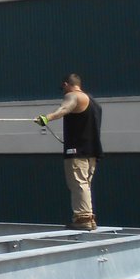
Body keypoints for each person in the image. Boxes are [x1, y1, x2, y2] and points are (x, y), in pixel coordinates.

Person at [35, 74, 103, 231]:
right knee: (84, 184)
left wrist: (47, 118)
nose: (63, 92)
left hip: (77, 150)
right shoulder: (93, 101)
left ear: (67, 84)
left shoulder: (74, 96)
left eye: (63, 88)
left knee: (78, 183)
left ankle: (83, 218)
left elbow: (65, 108)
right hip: (92, 150)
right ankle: (88, 217)